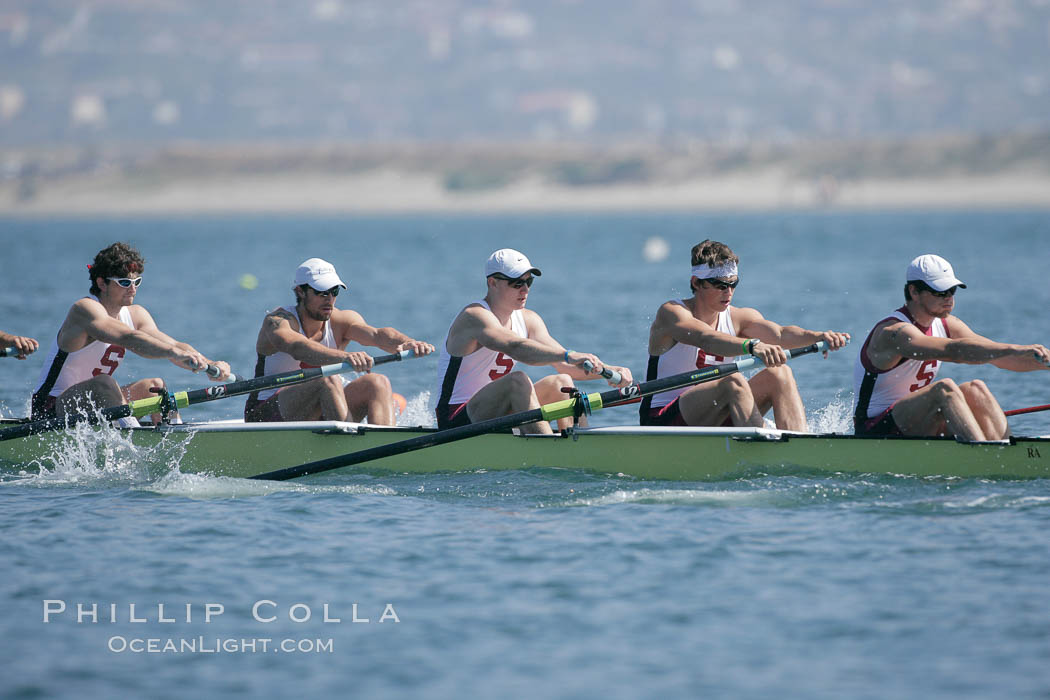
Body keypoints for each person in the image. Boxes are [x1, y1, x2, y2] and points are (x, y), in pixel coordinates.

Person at [641, 239, 850, 430]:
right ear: (696, 282)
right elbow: (706, 338)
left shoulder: (740, 317)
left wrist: (818, 337)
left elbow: (780, 334)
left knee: (780, 373)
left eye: (733, 284)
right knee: (733, 380)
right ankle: (762, 447)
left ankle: (800, 444)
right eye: (721, 285)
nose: (729, 292)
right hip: (664, 418)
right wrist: (751, 346)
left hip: (718, 411)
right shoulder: (672, 313)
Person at [435, 248, 633, 434]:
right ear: (492, 283)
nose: (525, 290)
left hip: (496, 411)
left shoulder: (528, 319)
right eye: (517, 283)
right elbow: (515, 347)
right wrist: (568, 355)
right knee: (517, 381)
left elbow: (568, 366)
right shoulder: (474, 316)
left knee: (562, 382)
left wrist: (611, 370)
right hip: (457, 419)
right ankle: (549, 449)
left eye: (529, 282)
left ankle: (578, 443)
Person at [853, 254, 1050, 440]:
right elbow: (952, 351)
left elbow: (999, 357)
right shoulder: (893, 333)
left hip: (915, 422)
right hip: (875, 429)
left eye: (952, 291)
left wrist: (1044, 362)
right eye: (940, 292)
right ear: (914, 292)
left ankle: (1005, 452)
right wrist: (1013, 348)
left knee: (976, 388)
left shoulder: (947, 324)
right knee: (944, 389)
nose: (949, 298)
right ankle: (984, 456)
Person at [31, 242, 232, 422]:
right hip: (50, 409)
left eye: (137, 282)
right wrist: (173, 352)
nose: (133, 289)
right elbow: (128, 338)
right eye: (125, 283)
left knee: (154, 386)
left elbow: (176, 345)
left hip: (96, 404)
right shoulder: (84, 310)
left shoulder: (136, 314)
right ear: (102, 283)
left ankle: (174, 440)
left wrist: (208, 363)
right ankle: (130, 444)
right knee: (105, 384)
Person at [245, 258, 433, 424]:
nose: (329, 299)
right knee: (326, 379)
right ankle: (350, 445)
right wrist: (345, 357)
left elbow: (377, 335)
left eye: (334, 291)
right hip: (265, 413)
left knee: (377, 382)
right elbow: (297, 347)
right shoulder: (278, 322)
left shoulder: (341, 320)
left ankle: (386, 449)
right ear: (300, 292)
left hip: (321, 407)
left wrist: (408, 342)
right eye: (321, 292)